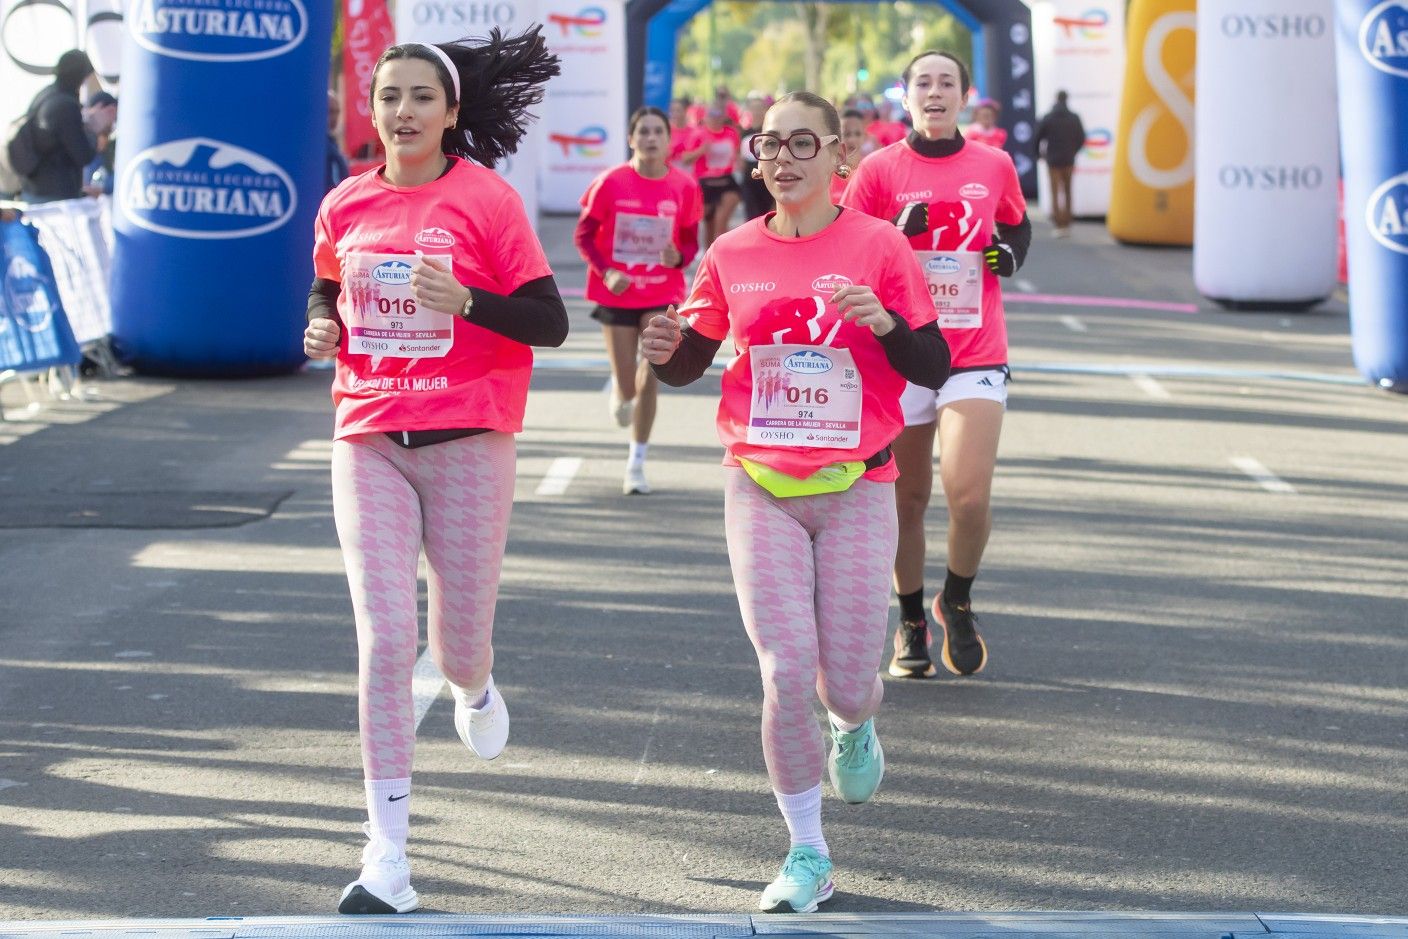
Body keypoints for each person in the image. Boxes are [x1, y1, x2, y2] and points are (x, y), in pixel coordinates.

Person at [642, 91, 949, 914]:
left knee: (844, 683)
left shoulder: (880, 245)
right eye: (768, 143)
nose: (781, 157)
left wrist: (885, 323)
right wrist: (665, 351)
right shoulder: (731, 251)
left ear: (839, 157)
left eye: (801, 143)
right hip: (760, 484)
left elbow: (932, 363)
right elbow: (690, 360)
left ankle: (854, 720)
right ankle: (807, 850)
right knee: (783, 670)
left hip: (857, 485)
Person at [301, 28, 566, 914]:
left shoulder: (487, 200)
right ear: (371, 111)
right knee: (383, 638)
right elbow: (329, 283)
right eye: (389, 97)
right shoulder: (345, 201)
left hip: (468, 438)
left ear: (451, 113)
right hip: (369, 432)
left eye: (421, 97)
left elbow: (549, 321)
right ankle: (387, 853)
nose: (403, 111)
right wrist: (323, 324)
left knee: (456, 644)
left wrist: (469, 301)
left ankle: (474, 683)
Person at [842, 51, 1030, 681]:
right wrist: (896, 228)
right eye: (923, 82)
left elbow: (1016, 229)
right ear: (906, 95)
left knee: (969, 495)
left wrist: (1008, 256)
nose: (935, 91)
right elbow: (849, 247)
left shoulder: (994, 164)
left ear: (964, 96)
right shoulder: (878, 169)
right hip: (904, 349)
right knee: (908, 497)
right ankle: (912, 619)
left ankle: (958, 598)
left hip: (975, 349)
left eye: (947, 82)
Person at [574, 106, 703, 494]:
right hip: (617, 292)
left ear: (669, 140)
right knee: (629, 388)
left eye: (658, 132)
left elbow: (689, 241)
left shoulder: (684, 186)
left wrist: (677, 257)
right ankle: (621, 388)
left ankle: (636, 463)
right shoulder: (610, 183)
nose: (650, 138)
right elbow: (583, 236)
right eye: (643, 131)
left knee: (653, 371)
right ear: (631, 139)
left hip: (661, 291)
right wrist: (606, 272)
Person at [16, 50, 112, 204]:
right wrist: (94, 130)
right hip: (54, 194)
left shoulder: (45, 95)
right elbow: (82, 154)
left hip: (33, 186)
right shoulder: (66, 105)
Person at [1035, 90, 1086, 238]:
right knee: (1068, 191)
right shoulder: (1074, 118)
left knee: (1055, 192)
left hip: (1052, 159)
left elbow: (1037, 137)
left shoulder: (1048, 117)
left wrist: (1039, 154)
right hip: (1069, 158)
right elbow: (1081, 138)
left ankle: (1058, 223)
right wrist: (1074, 151)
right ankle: (1067, 221)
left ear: (1056, 99)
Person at [691, 104, 742, 248]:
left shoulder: (731, 133)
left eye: (718, 116)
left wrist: (741, 164)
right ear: (705, 118)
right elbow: (685, 158)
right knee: (709, 224)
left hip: (726, 181)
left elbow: (738, 153)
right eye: (711, 116)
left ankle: (724, 253)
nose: (715, 120)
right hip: (705, 182)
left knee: (721, 222)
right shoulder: (698, 134)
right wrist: (701, 151)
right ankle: (709, 256)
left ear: (723, 118)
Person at [738, 93, 774, 220]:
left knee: (769, 217)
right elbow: (741, 158)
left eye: (759, 108)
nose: (757, 111)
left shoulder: (770, 132)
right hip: (749, 181)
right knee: (751, 218)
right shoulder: (744, 132)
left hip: (766, 180)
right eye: (754, 108)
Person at [80, 91, 117, 197]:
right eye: (111, 112)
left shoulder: (108, 146)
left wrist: (103, 189)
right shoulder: (79, 133)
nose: (113, 121)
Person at [326, 89, 350, 192]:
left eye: (337, 112)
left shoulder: (332, 142)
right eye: (330, 111)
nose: (334, 117)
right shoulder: (317, 145)